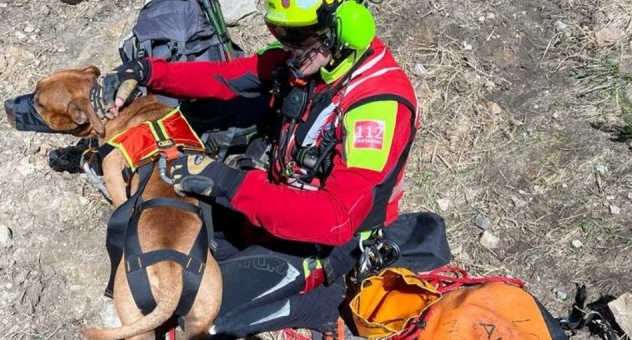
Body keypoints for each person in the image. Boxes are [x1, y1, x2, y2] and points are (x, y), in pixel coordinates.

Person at [96, 0, 421, 337]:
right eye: (278, 31)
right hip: (278, 201)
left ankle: (318, 306)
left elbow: (336, 219)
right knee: (176, 219)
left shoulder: (377, 108)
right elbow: (224, 78)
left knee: (201, 317)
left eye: (296, 34)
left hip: (326, 244)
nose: (286, 44)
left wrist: (223, 180)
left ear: (343, 29)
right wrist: (147, 71)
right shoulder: (307, 62)